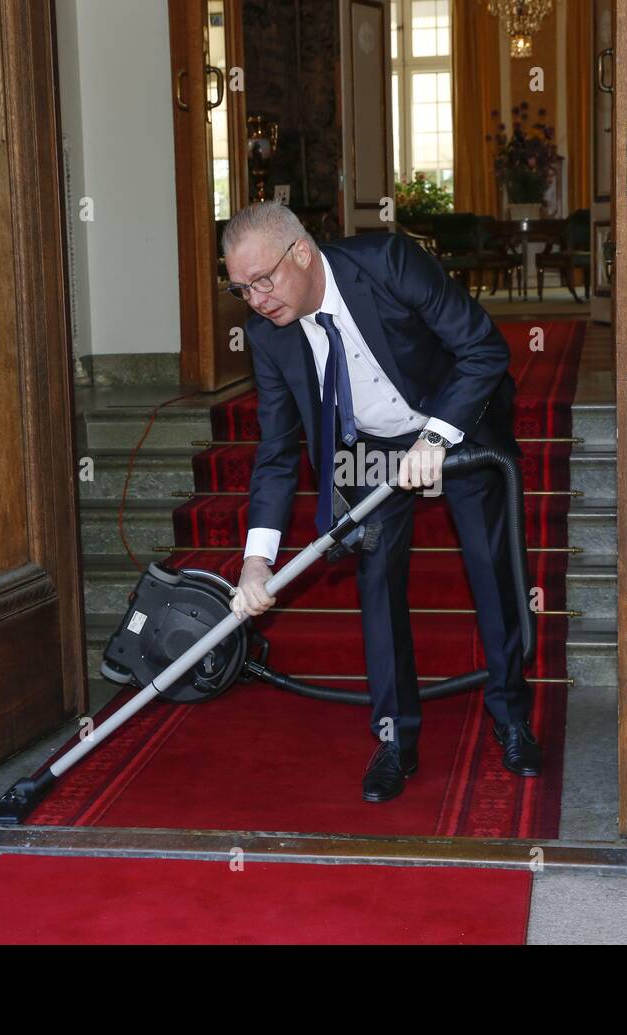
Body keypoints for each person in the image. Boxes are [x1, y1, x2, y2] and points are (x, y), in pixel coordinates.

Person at [221, 201, 541, 803]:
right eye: (242, 289)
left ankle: (512, 715)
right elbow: (276, 452)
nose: (257, 300)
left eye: (264, 280)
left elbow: (483, 349)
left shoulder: (388, 263)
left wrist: (435, 436)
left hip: (457, 421)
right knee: (377, 581)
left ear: (303, 253)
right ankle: (397, 738)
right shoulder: (269, 334)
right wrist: (256, 559)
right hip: (366, 448)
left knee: (490, 567)